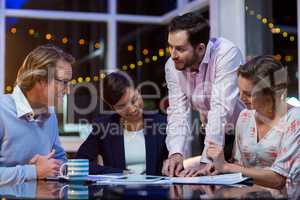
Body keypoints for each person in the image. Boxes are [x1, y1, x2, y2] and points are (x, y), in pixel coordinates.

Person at [162, 11, 244, 177]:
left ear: (200, 48)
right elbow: (177, 111)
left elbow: (220, 109)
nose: (173, 55)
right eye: (170, 47)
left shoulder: (226, 53)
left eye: (179, 49)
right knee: (206, 188)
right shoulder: (172, 65)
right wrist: (176, 152)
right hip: (209, 132)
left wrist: (207, 159)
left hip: (241, 134)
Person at [207, 55, 300, 189]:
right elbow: (240, 167)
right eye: (239, 91)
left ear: (271, 93)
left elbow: (278, 180)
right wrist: (217, 167)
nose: (241, 97)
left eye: (248, 94)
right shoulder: (245, 117)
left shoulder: (294, 120)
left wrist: (227, 167)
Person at [0, 45, 74, 185]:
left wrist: (52, 166)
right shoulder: (2, 110)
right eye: (64, 82)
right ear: (40, 79)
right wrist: (33, 171)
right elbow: (37, 171)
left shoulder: (50, 115)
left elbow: (61, 161)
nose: (67, 90)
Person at [76, 72, 169, 175]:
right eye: (122, 106)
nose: (132, 109)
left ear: (138, 91)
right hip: (117, 190)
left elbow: (175, 158)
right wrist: (118, 173)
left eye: (134, 100)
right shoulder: (104, 128)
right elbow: (80, 163)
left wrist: (171, 161)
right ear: (113, 108)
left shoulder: (162, 124)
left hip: (155, 190)